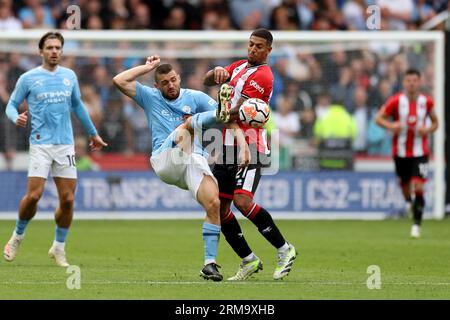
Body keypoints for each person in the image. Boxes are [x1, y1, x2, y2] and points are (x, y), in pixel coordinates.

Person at [113, 56, 250, 282]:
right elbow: (119, 80)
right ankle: (218, 111)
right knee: (188, 124)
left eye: (173, 80)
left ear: (179, 78)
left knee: (214, 203)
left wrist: (243, 146)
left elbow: (229, 122)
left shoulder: (194, 97)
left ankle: (209, 264)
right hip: (165, 158)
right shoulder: (150, 97)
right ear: (157, 86)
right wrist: (147, 68)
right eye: (165, 82)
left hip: (191, 161)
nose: (171, 85)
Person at [3, 31, 107, 267]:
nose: (54, 51)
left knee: (68, 200)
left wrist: (93, 133)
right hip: (40, 144)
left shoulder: (69, 76)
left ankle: (58, 247)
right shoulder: (28, 78)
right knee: (35, 195)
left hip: (65, 145)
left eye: (58, 48)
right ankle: (18, 236)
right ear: (41, 51)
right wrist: (14, 117)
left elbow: (78, 106)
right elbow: (10, 104)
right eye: (49, 47)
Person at [203, 28, 297, 281]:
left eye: (258, 46)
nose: (253, 49)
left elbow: (237, 112)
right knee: (219, 209)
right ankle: (248, 260)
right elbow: (206, 80)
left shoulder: (264, 76)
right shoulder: (239, 66)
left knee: (243, 202)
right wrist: (217, 72)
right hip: (226, 146)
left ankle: (284, 249)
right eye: (250, 44)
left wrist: (218, 112)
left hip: (250, 146)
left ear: (269, 50)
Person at [375, 68, 438, 238]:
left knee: (418, 185)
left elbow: (435, 123)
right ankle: (409, 203)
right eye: (409, 80)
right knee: (404, 185)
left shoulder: (427, 102)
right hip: (400, 152)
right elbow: (378, 118)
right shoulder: (395, 101)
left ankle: (416, 225)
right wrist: (391, 126)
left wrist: (427, 129)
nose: (412, 83)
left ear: (419, 82)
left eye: (415, 80)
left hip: (420, 152)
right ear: (404, 82)